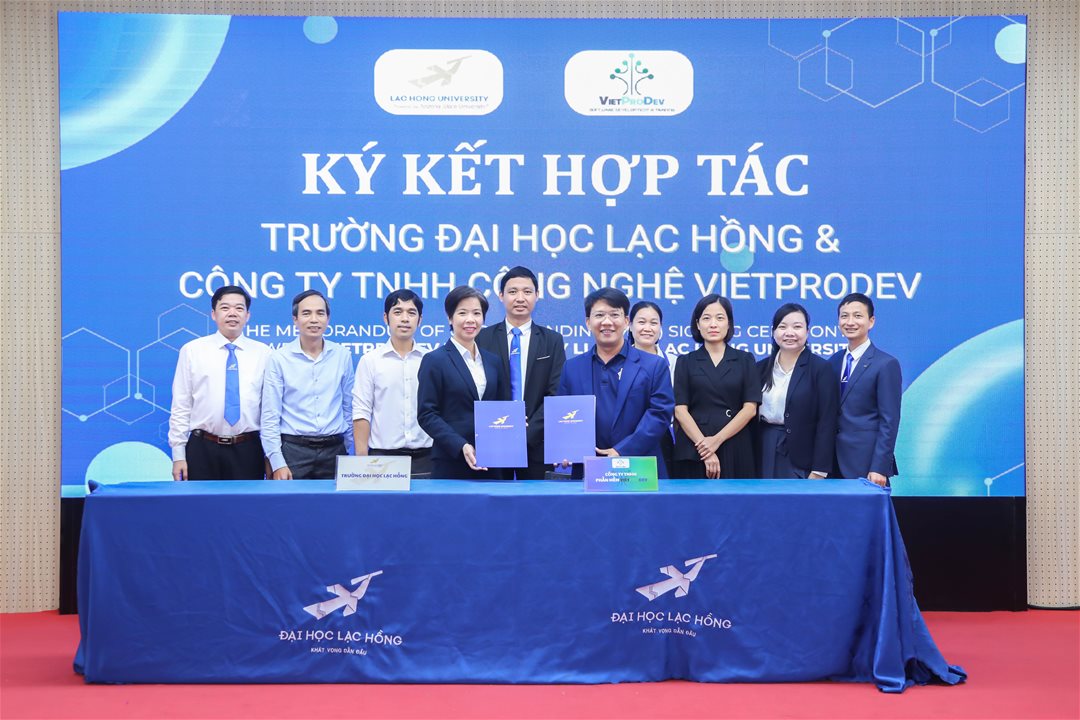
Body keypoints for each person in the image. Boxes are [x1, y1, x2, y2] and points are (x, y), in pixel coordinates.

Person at [557, 288, 674, 478]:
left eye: (614, 315)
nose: (607, 322)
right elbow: (564, 417)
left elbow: (659, 414)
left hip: (639, 470)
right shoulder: (572, 368)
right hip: (589, 470)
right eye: (599, 315)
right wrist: (565, 449)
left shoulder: (654, 365)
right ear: (588, 322)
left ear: (626, 321)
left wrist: (621, 451)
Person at [169, 285, 271, 481]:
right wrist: (178, 455)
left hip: (248, 448)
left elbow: (269, 410)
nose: (232, 313)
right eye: (225, 308)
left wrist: (270, 456)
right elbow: (181, 405)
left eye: (239, 308)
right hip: (202, 448)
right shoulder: (192, 351)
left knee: (248, 501)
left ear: (248, 315)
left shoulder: (264, 353)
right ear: (213, 314)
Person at [476, 266, 566, 480]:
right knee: (495, 499)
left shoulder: (552, 340)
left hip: (538, 442)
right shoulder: (482, 338)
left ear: (537, 295)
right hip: (494, 441)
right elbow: (479, 390)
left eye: (527, 291)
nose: (520, 298)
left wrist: (528, 432)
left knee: (539, 500)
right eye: (512, 291)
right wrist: (504, 428)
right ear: (501, 296)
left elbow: (555, 393)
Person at [260, 290, 354, 479]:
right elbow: (270, 415)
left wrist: (352, 453)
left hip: (334, 450)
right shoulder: (279, 358)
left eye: (320, 313)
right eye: (306, 313)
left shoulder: (342, 355)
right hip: (293, 451)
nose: (314, 319)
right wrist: (277, 462)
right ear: (295, 319)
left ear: (328, 319)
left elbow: (349, 408)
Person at [417, 286, 508, 479]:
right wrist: (461, 445)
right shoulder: (435, 360)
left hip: (491, 462)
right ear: (450, 318)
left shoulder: (493, 361)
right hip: (451, 462)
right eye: (462, 313)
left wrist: (513, 422)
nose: (470, 319)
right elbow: (427, 414)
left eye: (476, 313)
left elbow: (502, 407)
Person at [672, 295, 759, 479]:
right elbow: (680, 410)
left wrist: (716, 441)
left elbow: (750, 409)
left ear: (729, 323)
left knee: (736, 496)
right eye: (706, 318)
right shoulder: (685, 361)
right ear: (697, 324)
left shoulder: (745, 360)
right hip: (695, 445)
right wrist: (705, 448)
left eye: (720, 318)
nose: (713, 324)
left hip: (734, 443)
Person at [352, 289, 434, 477]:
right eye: (398, 312)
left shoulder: (431, 360)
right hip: (382, 458)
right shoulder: (370, 361)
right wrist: (361, 461)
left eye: (411, 313)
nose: (405, 318)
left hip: (427, 458)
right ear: (386, 318)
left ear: (420, 320)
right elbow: (361, 412)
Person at [755, 303, 838, 479]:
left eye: (797, 327)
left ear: (807, 332)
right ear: (773, 332)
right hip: (763, 448)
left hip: (801, 457)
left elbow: (827, 421)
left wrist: (819, 470)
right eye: (782, 327)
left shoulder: (821, 369)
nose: (789, 333)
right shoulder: (759, 369)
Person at [830, 292, 901, 487]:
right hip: (832, 463)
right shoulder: (833, 361)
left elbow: (889, 420)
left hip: (867, 465)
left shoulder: (885, 364)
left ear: (871, 322)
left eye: (857, 316)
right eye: (844, 316)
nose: (850, 322)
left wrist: (879, 466)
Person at [628, 300, 676, 475]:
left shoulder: (674, 361)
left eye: (653, 323)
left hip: (662, 440)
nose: (647, 328)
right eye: (641, 322)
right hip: (626, 440)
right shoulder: (618, 361)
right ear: (629, 325)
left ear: (660, 327)